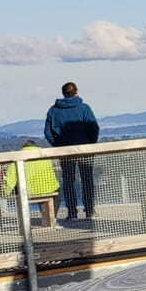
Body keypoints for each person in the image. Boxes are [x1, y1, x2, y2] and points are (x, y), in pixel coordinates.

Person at [44, 81, 99, 222]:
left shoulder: (53, 111)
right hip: (85, 149)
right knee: (86, 179)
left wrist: (58, 145)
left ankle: (72, 212)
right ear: (76, 92)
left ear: (63, 93)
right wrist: (90, 143)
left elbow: (48, 132)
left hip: (65, 150)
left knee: (68, 181)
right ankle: (89, 210)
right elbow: (93, 128)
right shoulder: (84, 108)